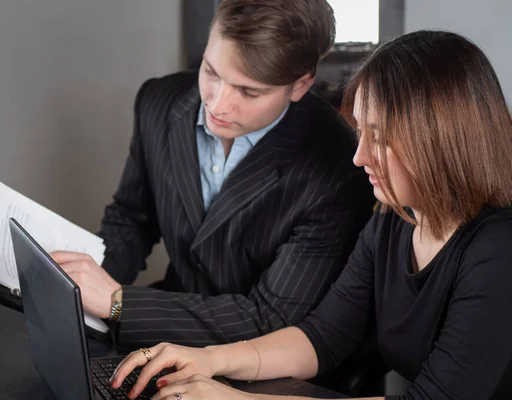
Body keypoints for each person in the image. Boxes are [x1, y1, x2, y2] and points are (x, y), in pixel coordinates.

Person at [111, 30, 512, 400]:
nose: (359, 157)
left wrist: (239, 399)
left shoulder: (498, 248)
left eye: (380, 138)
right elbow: (323, 336)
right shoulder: (393, 218)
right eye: (361, 133)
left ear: (441, 140)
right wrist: (209, 359)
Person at [50, 0, 374, 349]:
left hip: (261, 358)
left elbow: (271, 318)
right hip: (161, 327)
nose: (217, 105)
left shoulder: (338, 167)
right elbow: (131, 219)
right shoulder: (158, 102)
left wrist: (119, 303)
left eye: (248, 91)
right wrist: (76, 285)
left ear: (300, 85)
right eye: (212, 72)